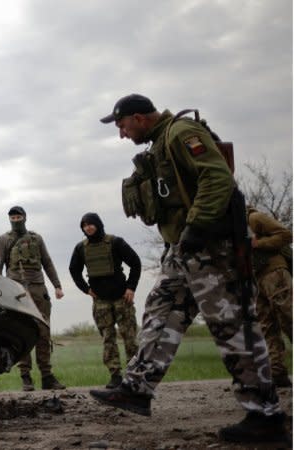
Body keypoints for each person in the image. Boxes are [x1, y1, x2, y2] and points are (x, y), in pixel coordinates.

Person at [91, 94, 286, 443]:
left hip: (211, 246)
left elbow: (217, 178)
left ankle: (265, 415)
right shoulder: (160, 144)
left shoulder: (181, 132)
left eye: (122, 125)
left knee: (232, 326)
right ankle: (137, 387)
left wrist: (196, 226)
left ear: (139, 118)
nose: (121, 134)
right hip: (184, 250)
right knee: (161, 309)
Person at [0, 205, 66, 391]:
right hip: (16, 290)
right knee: (22, 331)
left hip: (38, 288)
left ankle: (47, 376)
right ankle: (25, 376)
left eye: (19, 217)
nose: (16, 220)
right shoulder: (4, 240)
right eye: (13, 218)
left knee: (43, 331)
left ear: (25, 217)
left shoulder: (36, 238)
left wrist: (57, 285)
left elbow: (47, 262)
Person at [68, 212, 141, 389]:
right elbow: (74, 270)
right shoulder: (81, 248)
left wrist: (131, 287)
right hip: (100, 301)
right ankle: (115, 375)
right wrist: (86, 289)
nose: (88, 228)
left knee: (130, 338)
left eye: (90, 224)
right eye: (84, 225)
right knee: (108, 339)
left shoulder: (115, 242)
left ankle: (135, 375)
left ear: (98, 224)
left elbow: (135, 262)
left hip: (122, 298)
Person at [248, 205, 293, 387]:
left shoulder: (254, 218)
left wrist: (258, 244)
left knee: (289, 317)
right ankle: (278, 373)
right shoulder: (228, 229)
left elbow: (285, 235)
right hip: (256, 279)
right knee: (267, 326)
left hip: (275, 273)